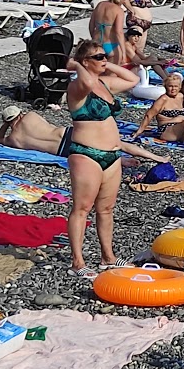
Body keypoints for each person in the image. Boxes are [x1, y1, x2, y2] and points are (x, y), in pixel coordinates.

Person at [63, 40, 141, 277]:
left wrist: (109, 64)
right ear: (85, 62)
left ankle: (108, 257)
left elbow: (132, 80)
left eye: (104, 55)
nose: (103, 59)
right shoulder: (78, 86)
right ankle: (77, 261)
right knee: (82, 208)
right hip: (87, 154)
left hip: (112, 155)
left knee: (106, 209)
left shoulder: (104, 83)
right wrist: (76, 65)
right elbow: (86, 81)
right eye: (98, 57)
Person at [0, 105, 162, 165]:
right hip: (66, 134)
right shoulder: (30, 116)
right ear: (20, 114)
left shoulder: (13, 140)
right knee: (116, 143)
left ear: (7, 121)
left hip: (60, 150)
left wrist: (6, 125)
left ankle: (123, 161)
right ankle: (157, 158)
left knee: (97, 156)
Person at [137, 72, 184, 148]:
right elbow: (148, 116)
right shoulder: (163, 99)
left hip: (181, 130)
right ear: (165, 86)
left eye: (176, 86)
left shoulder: (181, 96)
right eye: (170, 86)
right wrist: (139, 131)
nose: (173, 89)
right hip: (166, 131)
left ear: (180, 87)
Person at [88, 0, 128, 64]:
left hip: (97, 42)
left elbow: (91, 25)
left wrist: (93, 38)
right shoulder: (118, 10)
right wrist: (124, 53)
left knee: (97, 72)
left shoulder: (100, 5)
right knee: (112, 74)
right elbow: (119, 32)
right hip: (111, 44)